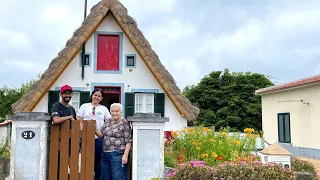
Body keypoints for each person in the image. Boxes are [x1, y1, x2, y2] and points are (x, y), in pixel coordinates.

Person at [77, 89, 111, 180]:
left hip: (99, 138)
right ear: (92, 95)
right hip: (86, 137)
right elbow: (79, 121)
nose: (96, 97)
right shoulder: (84, 106)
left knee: (98, 161)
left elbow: (109, 122)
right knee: (86, 160)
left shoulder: (103, 109)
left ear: (101, 98)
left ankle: (98, 178)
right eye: (95, 95)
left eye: (99, 96)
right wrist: (80, 134)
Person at [95, 103, 132, 180]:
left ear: (121, 112)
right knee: (105, 177)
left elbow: (128, 141)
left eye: (117, 111)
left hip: (118, 154)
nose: (114, 113)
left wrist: (125, 155)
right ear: (110, 112)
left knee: (118, 177)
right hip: (105, 154)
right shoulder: (107, 121)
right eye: (113, 111)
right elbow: (101, 135)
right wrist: (94, 128)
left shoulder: (124, 122)